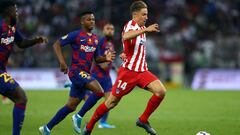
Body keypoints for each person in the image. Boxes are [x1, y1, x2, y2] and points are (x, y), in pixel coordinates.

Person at [82, 1, 166, 135]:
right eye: (144, 15)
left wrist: (125, 53)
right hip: (128, 73)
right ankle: (89, 127)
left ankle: (143, 120)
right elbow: (125, 36)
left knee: (161, 91)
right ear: (135, 15)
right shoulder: (130, 25)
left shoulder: (141, 29)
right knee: (111, 103)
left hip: (142, 71)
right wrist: (146, 29)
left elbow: (130, 46)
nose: (146, 17)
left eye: (147, 15)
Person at [38, 11, 115, 135]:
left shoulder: (95, 39)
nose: (92, 22)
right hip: (75, 72)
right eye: (89, 19)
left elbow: (97, 59)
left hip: (84, 74)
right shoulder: (76, 35)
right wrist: (62, 62)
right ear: (82, 21)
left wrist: (106, 58)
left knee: (70, 106)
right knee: (99, 91)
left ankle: (46, 128)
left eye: (93, 19)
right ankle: (78, 117)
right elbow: (56, 44)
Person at [0, 0, 48, 135]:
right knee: (21, 97)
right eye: (15, 10)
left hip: (2, 71)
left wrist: (36, 40)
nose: (18, 13)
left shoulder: (12, 28)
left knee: (20, 98)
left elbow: (21, 43)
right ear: (8, 12)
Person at [72, 23, 116, 131]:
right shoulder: (100, 42)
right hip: (97, 75)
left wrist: (115, 68)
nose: (110, 31)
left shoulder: (111, 44)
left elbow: (109, 60)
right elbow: (97, 58)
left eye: (112, 29)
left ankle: (103, 122)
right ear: (103, 30)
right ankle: (76, 86)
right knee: (90, 99)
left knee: (110, 101)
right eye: (108, 29)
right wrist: (102, 64)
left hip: (107, 77)